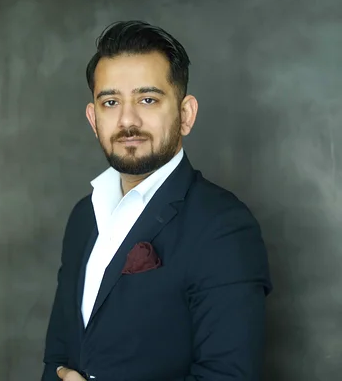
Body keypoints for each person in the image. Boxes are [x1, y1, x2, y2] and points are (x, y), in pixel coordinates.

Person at [41, 20, 272, 381]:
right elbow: (59, 353)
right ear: (93, 118)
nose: (127, 120)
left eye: (147, 100)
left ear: (185, 115)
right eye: (111, 102)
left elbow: (227, 376)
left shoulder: (224, 226)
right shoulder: (83, 216)